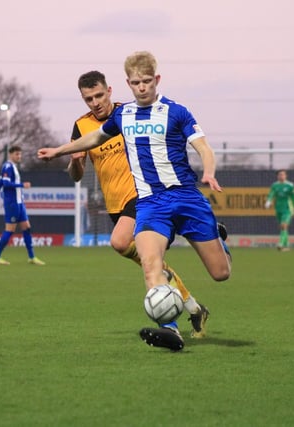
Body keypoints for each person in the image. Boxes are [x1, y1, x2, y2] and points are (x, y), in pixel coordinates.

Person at [38, 51, 232, 351]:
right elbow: (94, 139)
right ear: (128, 83)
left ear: (156, 80)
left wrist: (208, 172)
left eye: (146, 81)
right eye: (135, 83)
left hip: (185, 197)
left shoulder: (177, 112)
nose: (141, 87)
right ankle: (170, 330)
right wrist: (59, 151)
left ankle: (219, 241)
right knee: (149, 263)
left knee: (221, 273)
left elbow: (204, 147)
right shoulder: (122, 115)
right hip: (150, 203)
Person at [68, 70, 215, 338]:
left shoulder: (130, 114)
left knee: (120, 242)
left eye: (99, 95)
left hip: (144, 196)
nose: (95, 102)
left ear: (110, 90)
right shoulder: (82, 126)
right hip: (116, 205)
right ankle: (194, 308)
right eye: (88, 99)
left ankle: (170, 326)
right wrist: (75, 161)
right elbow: (76, 176)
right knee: (153, 265)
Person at [0, 146, 45, 266]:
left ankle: (31, 257)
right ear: (11, 155)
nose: (19, 156)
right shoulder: (8, 166)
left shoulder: (12, 167)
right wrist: (22, 185)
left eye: (20, 154)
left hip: (19, 202)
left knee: (27, 227)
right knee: (10, 229)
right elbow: (6, 184)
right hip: (12, 203)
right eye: (17, 154)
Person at [264, 169, 294, 251]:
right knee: (282, 227)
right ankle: (286, 245)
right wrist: (269, 201)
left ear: (286, 176)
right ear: (277, 176)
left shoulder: (290, 185)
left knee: (284, 226)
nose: (281, 176)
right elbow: (271, 194)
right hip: (278, 209)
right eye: (280, 175)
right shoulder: (275, 185)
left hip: (287, 209)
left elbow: (293, 198)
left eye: (283, 174)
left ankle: (280, 243)